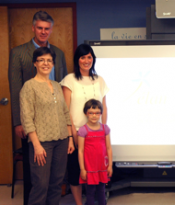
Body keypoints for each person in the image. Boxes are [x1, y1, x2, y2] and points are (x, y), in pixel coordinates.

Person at [8, 10, 68, 205]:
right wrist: (19, 123)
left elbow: (64, 84)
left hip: (57, 125)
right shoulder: (18, 53)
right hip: (34, 125)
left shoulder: (58, 53)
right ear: (33, 28)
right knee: (37, 179)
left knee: (54, 181)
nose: (43, 32)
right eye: (40, 28)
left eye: (47, 29)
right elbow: (16, 89)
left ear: (51, 30)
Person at [19, 47, 74, 205]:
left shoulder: (57, 85)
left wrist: (70, 138)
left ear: (53, 64)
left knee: (56, 184)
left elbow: (65, 112)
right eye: (42, 60)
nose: (46, 63)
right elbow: (27, 118)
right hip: (42, 143)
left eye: (49, 60)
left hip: (62, 140)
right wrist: (36, 145)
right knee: (40, 185)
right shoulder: (29, 87)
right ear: (35, 63)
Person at [61, 44, 109, 205]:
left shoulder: (99, 80)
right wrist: (70, 135)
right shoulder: (69, 79)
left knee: (95, 169)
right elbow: (65, 110)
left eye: (89, 57)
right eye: (83, 57)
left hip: (96, 135)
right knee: (76, 171)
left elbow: (104, 107)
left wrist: (104, 130)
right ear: (77, 60)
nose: (86, 60)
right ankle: (79, 203)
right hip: (76, 134)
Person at [78, 99, 113, 205]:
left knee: (101, 191)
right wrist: (82, 169)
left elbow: (108, 148)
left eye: (97, 113)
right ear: (86, 114)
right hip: (89, 168)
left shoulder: (105, 129)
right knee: (90, 191)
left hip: (102, 167)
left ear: (101, 114)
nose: (94, 116)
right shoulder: (83, 130)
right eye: (91, 113)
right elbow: (80, 150)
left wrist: (110, 165)